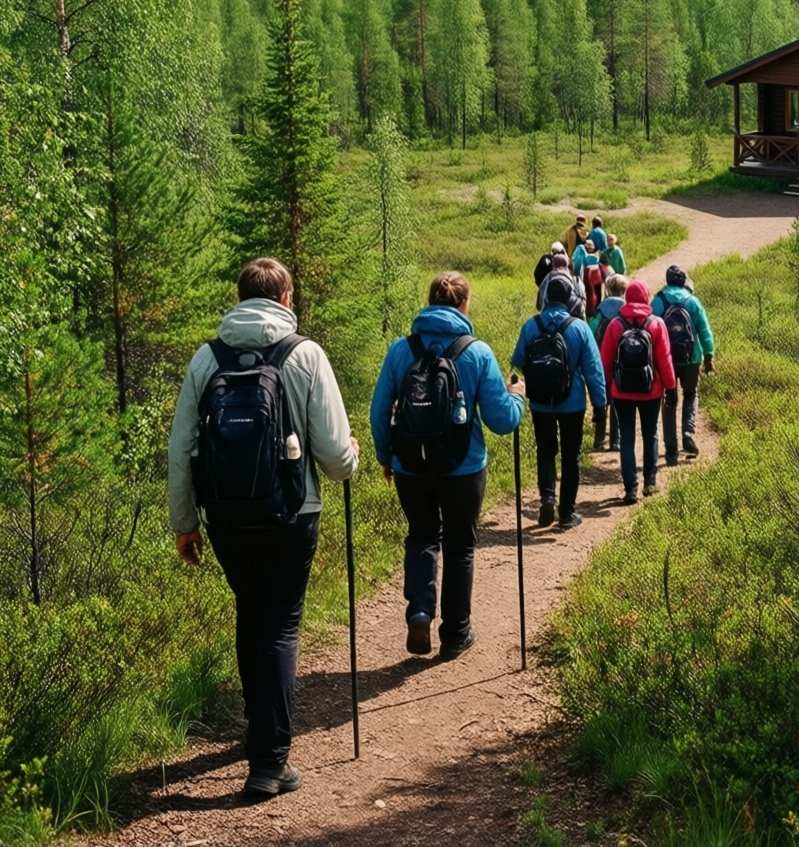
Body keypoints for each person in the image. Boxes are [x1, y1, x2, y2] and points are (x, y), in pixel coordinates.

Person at [169, 257, 360, 801]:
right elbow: (333, 456)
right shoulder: (305, 355)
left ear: (240, 297)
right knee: (280, 624)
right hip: (291, 515)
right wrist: (351, 458)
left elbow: (182, 447)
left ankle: (259, 733)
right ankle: (269, 761)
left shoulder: (207, 359)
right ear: (285, 297)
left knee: (250, 612)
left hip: (225, 517)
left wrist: (184, 522)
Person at [370, 271, 525, 659]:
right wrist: (517, 397)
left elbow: (378, 413)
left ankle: (420, 610)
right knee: (460, 546)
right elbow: (502, 421)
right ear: (463, 305)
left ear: (429, 302)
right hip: (463, 467)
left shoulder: (400, 350)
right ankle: (455, 635)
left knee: (422, 536)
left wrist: (386, 456)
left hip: (410, 465)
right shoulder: (477, 352)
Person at [511, 277, 606, 530]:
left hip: (540, 402)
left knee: (545, 451)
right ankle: (566, 514)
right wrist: (600, 404)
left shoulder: (531, 326)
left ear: (545, 298)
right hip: (572, 403)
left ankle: (547, 499)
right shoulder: (580, 328)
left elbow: (518, 360)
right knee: (571, 456)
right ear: (569, 299)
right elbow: (593, 370)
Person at [599, 279, 676, 504]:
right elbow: (665, 359)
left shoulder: (615, 325)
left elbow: (605, 361)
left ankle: (630, 488)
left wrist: (606, 388)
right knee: (650, 434)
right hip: (650, 390)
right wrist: (670, 387)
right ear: (646, 297)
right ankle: (650, 482)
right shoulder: (656, 324)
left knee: (626, 438)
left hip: (621, 391)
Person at [652, 265, 715, 464]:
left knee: (669, 400)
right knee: (691, 393)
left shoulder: (658, 300)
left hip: (666, 360)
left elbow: (649, 329)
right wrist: (709, 356)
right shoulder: (693, 301)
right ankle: (688, 431)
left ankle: (671, 451)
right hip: (691, 358)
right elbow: (704, 331)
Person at [588, 272, 628, 449]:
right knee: (617, 401)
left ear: (608, 289)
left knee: (601, 399)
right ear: (624, 290)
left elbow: (590, 332)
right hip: (621, 361)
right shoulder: (627, 311)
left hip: (600, 361)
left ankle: (598, 439)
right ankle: (616, 440)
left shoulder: (601, 311)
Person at [537, 252, 585, 318]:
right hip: (570, 317)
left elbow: (541, 297)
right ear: (566, 263)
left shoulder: (548, 277)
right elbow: (581, 294)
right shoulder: (573, 277)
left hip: (548, 315)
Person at [577, 237, 604, 315]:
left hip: (587, 293)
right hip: (597, 283)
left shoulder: (584, 261)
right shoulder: (597, 259)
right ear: (593, 248)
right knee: (598, 292)